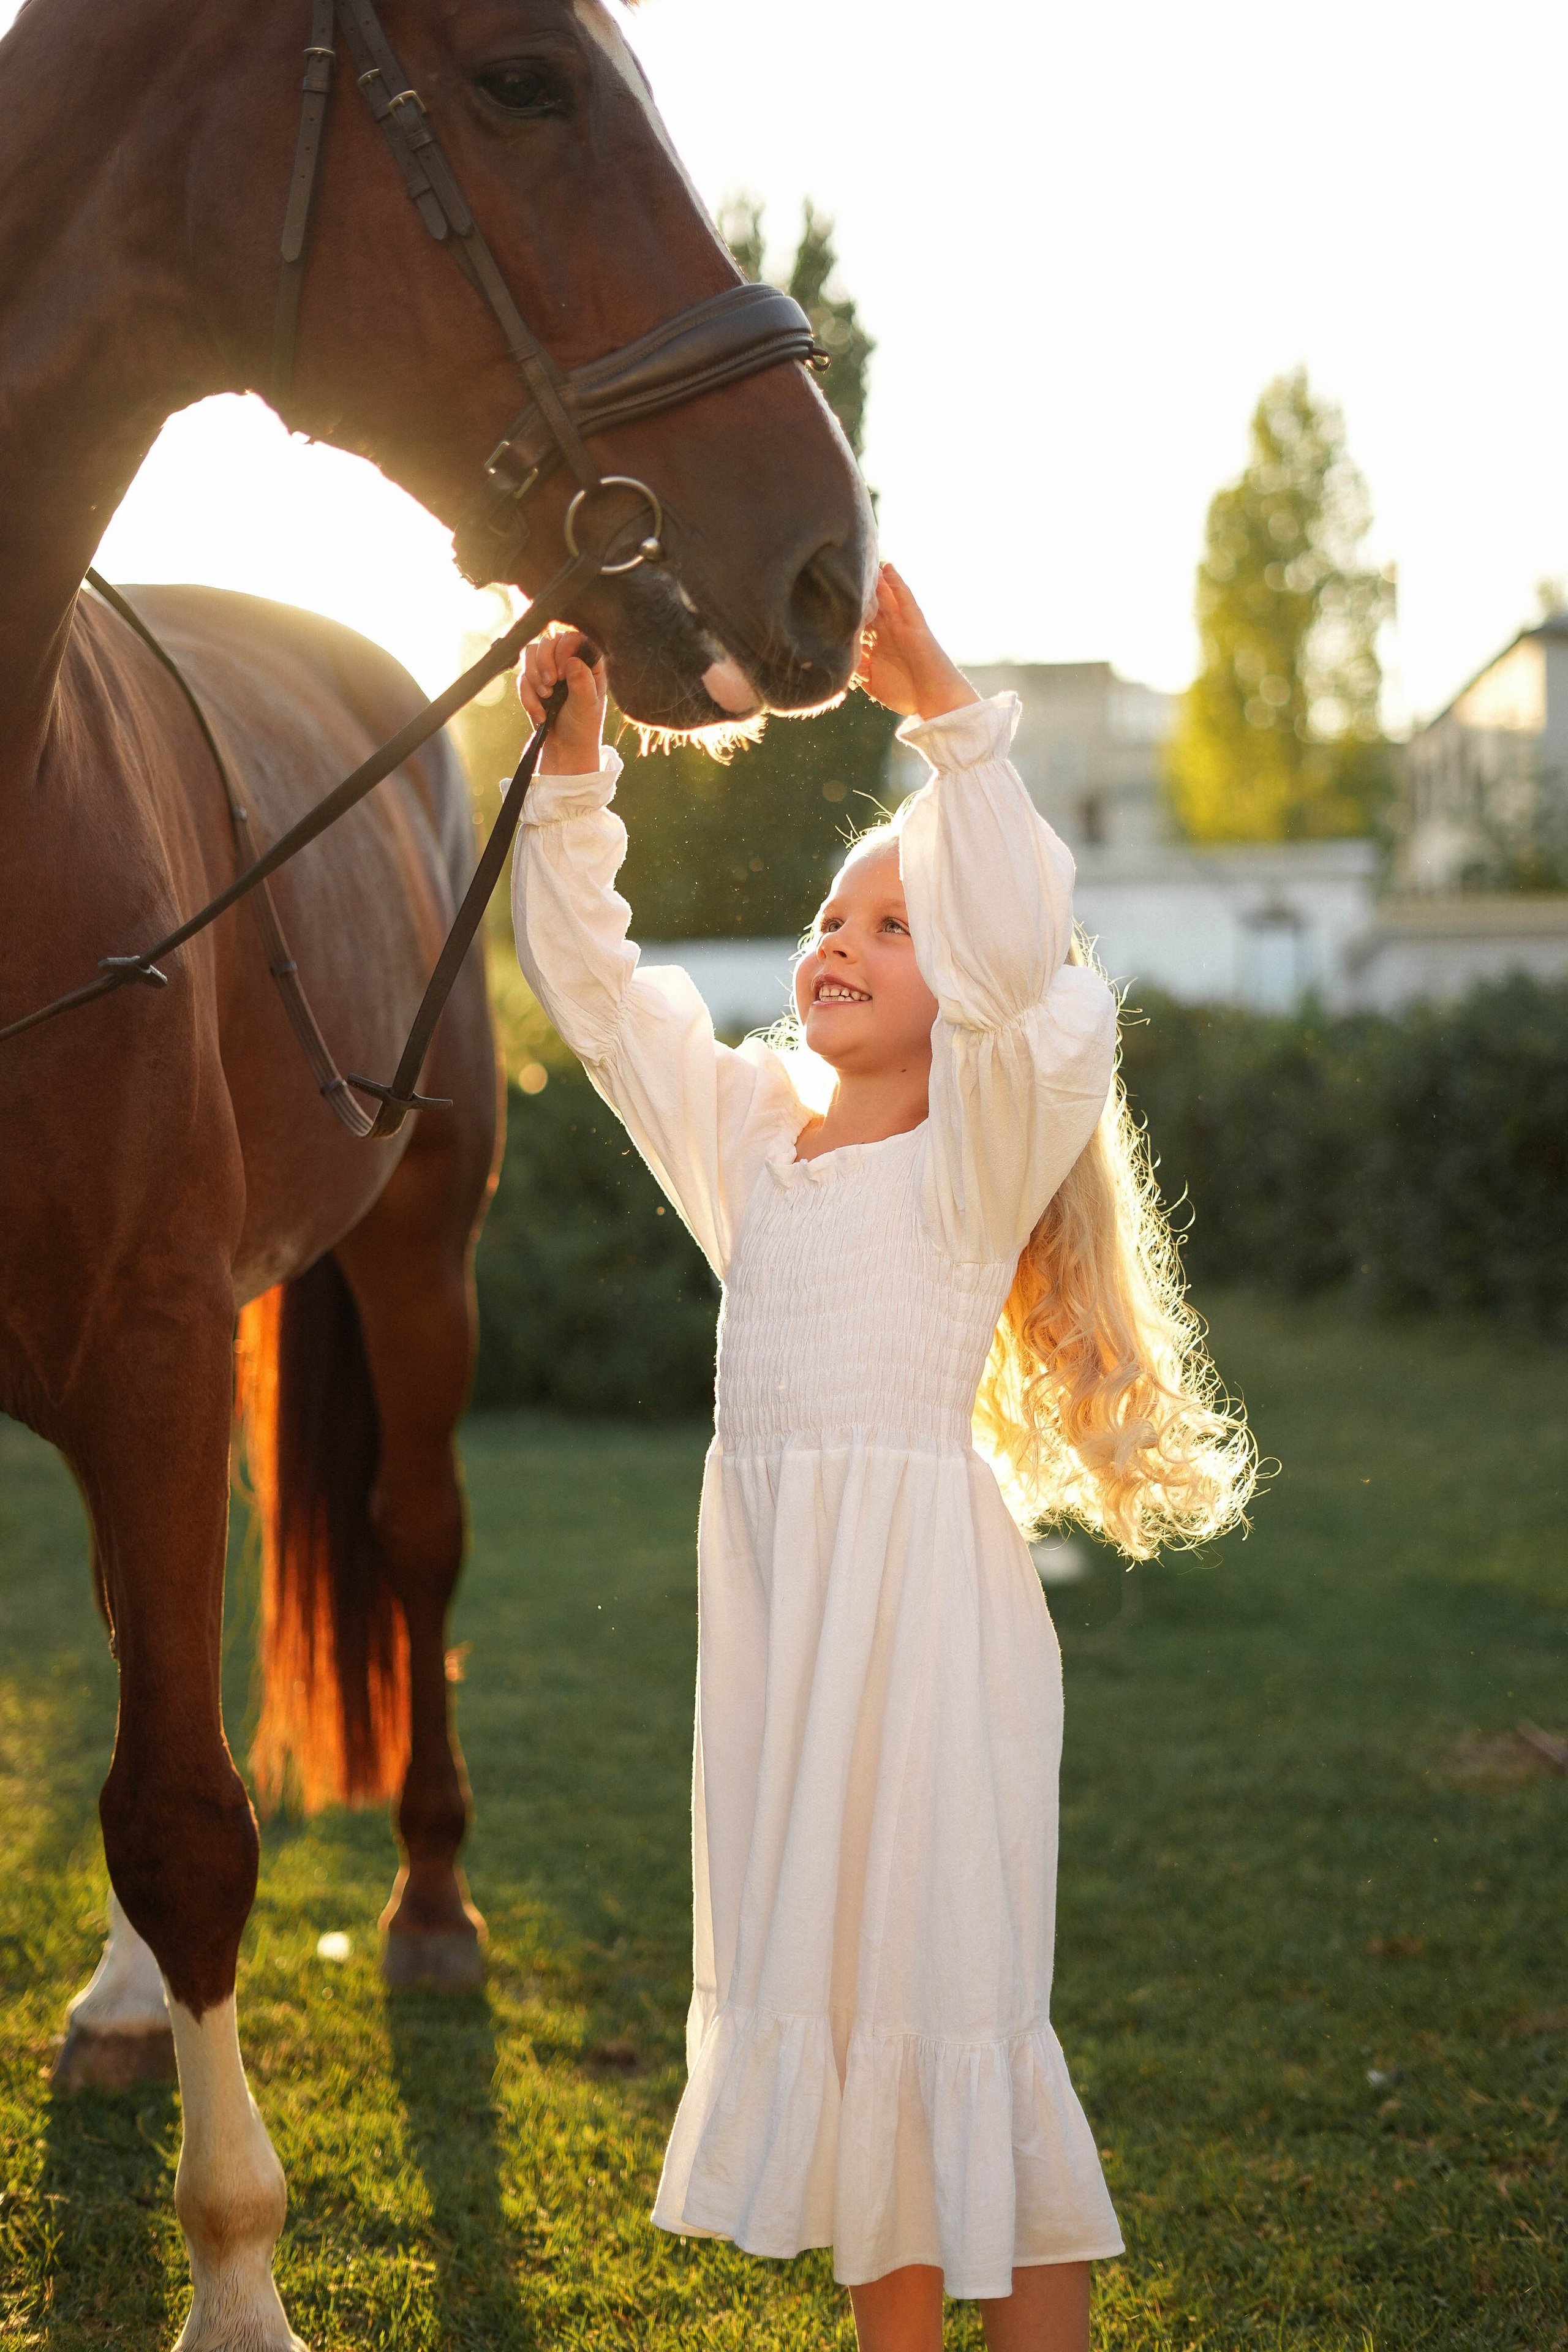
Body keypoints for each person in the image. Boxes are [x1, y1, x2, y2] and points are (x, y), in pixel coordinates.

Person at [509, 565, 1255, 2352]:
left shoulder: (980, 1150)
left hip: (925, 1648)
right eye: (831, 915)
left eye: (889, 927)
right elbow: (601, 997)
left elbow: (1023, 964)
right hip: (788, 1654)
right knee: (852, 2030)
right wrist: (575, 778)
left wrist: (947, 714)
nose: (839, 940)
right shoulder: (753, 1144)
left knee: (951, 2020)